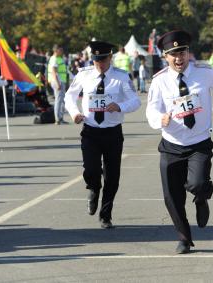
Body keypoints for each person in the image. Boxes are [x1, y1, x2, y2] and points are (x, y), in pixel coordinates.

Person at [146, 30, 213, 254]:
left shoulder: (205, 73)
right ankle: (184, 238)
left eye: (182, 52)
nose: (179, 58)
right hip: (171, 144)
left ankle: (202, 197)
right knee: (172, 197)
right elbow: (151, 110)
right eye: (173, 54)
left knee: (197, 183)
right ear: (165, 56)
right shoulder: (159, 81)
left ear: (188, 52)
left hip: (199, 141)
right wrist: (160, 119)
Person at [64, 41, 141, 229]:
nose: (100, 64)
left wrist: (120, 106)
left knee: (112, 176)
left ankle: (106, 215)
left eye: (103, 60)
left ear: (110, 57)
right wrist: (74, 113)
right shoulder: (84, 75)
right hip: (90, 130)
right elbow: (69, 96)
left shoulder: (121, 77)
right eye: (96, 60)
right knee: (91, 170)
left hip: (112, 132)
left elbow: (135, 101)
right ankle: (93, 189)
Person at [47, 44, 68, 125]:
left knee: (62, 100)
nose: (62, 51)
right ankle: (58, 119)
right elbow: (54, 72)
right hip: (57, 81)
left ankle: (60, 118)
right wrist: (57, 83)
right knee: (58, 100)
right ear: (56, 50)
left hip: (61, 81)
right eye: (60, 50)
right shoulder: (54, 59)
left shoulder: (59, 58)